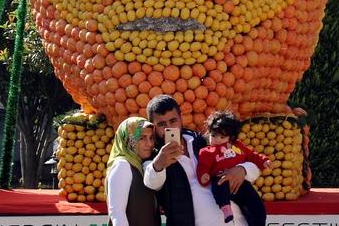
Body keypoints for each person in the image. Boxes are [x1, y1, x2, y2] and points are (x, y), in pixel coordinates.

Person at [143, 95, 262, 226]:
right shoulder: (153, 157)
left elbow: (253, 165)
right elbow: (151, 183)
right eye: (161, 124)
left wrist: (243, 170)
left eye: (173, 121)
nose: (168, 128)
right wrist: (159, 163)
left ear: (181, 118)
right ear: (153, 127)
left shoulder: (204, 141)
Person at [197, 111, 269, 225]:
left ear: (231, 138)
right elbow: (203, 166)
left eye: (222, 136)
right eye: (213, 135)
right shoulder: (206, 152)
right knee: (218, 187)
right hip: (221, 179)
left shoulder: (238, 146)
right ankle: (225, 207)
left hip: (240, 183)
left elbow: (252, 155)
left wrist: (264, 160)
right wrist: (203, 175)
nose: (216, 139)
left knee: (255, 205)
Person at [106, 117, 159, 226]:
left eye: (151, 137)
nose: (149, 144)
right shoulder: (122, 165)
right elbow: (117, 212)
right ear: (130, 140)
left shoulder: (140, 165)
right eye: (142, 138)